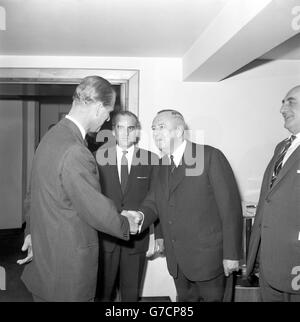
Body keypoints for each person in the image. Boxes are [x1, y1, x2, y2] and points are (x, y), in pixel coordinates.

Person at [17, 76, 141, 302]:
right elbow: (93, 208)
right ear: (97, 107)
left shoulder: (50, 138)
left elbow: (33, 194)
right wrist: (126, 223)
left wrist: (31, 232)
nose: (106, 121)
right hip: (67, 273)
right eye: (108, 112)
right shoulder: (75, 149)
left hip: (47, 265)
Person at [130, 109, 243, 302]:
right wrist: (140, 216)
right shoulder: (161, 165)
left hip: (210, 261)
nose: (156, 133)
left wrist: (232, 254)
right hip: (178, 261)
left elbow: (230, 210)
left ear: (179, 131)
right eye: (154, 128)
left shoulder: (209, 156)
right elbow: (154, 201)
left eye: (162, 127)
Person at [94, 111, 163, 302]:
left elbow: (157, 200)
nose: (125, 133)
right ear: (113, 131)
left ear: (137, 132)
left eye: (130, 128)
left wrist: (159, 235)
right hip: (105, 240)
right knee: (102, 294)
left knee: (131, 296)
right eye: (120, 128)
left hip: (136, 241)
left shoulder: (151, 160)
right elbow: (92, 200)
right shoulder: (96, 158)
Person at [246, 85, 300, 302]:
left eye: (291, 102)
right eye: (283, 102)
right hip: (270, 263)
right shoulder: (282, 147)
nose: (282, 108)